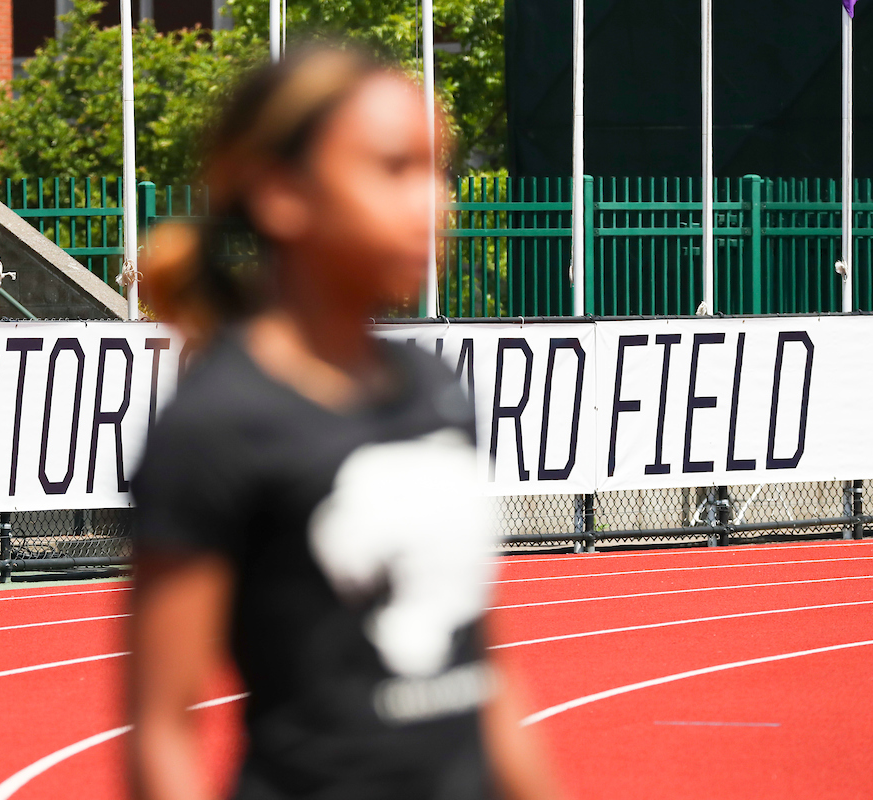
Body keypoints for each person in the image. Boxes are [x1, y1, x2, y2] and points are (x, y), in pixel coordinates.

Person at [129, 46, 560, 800]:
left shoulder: (434, 389)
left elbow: (480, 669)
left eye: (437, 170)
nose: (435, 203)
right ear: (280, 192)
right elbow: (163, 730)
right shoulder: (217, 425)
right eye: (394, 169)